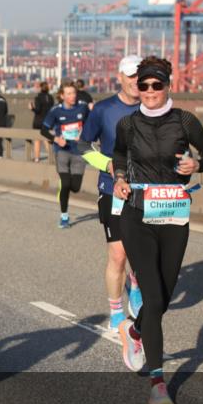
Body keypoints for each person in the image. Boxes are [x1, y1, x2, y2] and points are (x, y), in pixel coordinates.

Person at [112, 56, 203, 404]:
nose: (150, 92)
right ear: (137, 87)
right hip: (137, 215)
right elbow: (118, 155)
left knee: (166, 297)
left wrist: (197, 164)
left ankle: (135, 330)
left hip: (174, 215)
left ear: (167, 85)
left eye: (157, 85)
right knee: (153, 298)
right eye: (144, 85)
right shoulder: (127, 123)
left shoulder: (185, 120)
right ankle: (158, 383)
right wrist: (119, 180)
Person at [77, 55, 143, 332]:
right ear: (120, 77)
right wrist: (107, 164)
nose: (136, 82)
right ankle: (116, 310)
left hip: (145, 190)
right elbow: (82, 146)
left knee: (140, 252)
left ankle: (136, 284)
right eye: (130, 76)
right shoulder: (104, 109)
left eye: (140, 76)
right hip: (111, 188)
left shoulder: (155, 108)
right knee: (118, 254)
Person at [42, 81, 90, 229]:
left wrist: (83, 134)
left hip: (78, 151)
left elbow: (91, 124)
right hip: (62, 150)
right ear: (62, 95)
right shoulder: (56, 111)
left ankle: (64, 188)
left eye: (74, 93)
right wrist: (57, 139)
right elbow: (43, 130)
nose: (72, 96)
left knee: (75, 187)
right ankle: (64, 216)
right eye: (69, 93)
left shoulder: (83, 107)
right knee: (66, 182)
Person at [29, 81, 54, 162]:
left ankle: (36, 158)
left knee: (37, 140)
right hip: (47, 121)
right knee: (46, 139)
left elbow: (38, 110)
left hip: (38, 121)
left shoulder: (38, 97)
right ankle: (51, 157)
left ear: (40, 88)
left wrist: (32, 108)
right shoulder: (50, 98)